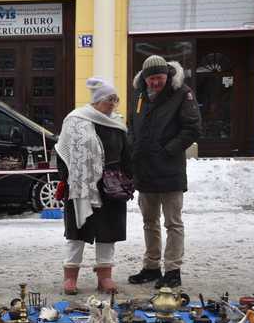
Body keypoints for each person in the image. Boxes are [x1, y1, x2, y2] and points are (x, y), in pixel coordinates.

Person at [127, 55, 201, 289]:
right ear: (145, 78)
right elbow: (132, 125)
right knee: (149, 222)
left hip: (169, 168)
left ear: (167, 76)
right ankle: (151, 267)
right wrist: (132, 148)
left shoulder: (182, 93)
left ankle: (172, 270)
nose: (155, 83)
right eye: (151, 79)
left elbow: (193, 128)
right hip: (145, 169)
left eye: (159, 78)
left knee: (173, 222)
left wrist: (167, 150)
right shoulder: (139, 94)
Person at [55, 78, 131, 295]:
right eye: (110, 99)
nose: (113, 104)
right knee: (77, 232)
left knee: (109, 231)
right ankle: (70, 278)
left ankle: (105, 277)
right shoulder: (75, 120)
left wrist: (128, 177)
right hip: (80, 185)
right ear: (97, 101)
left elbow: (127, 152)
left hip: (112, 186)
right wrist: (68, 177)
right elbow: (62, 151)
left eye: (116, 100)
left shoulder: (117, 123)